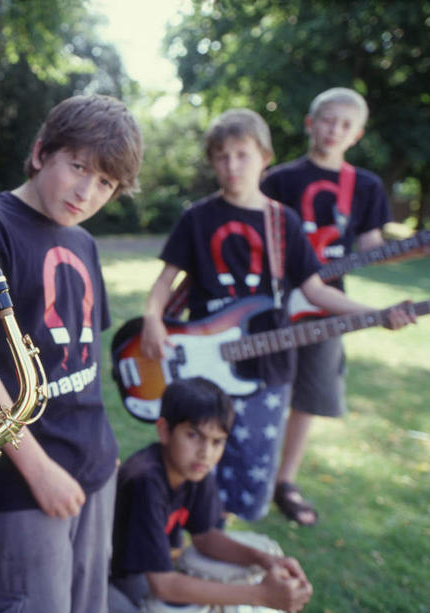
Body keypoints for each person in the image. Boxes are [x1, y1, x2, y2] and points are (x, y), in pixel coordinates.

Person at [140, 108, 414, 522]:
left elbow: (315, 289)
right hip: (205, 363)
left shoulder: (282, 221)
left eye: (242, 155)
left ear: (264, 157)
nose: (232, 166)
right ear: (212, 161)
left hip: (266, 367)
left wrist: (377, 313)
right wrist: (151, 318)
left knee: (251, 461)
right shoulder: (197, 217)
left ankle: (225, 536)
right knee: (191, 458)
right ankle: (184, 537)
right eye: (222, 156)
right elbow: (165, 283)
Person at [0, 94, 143, 612]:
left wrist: (103, 445)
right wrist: (39, 470)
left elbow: (83, 364)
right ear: (39, 153)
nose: (86, 191)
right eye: (77, 167)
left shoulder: (84, 242)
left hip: (92, 468)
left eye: (105, 183)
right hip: (21, 480)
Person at [260, 87, 391, 526]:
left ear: (357, 134)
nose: (335, 130)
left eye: (345, 124)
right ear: (310, 123)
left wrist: (414, 248)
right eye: (328, 120)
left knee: (310, 393)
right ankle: (251, 468)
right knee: (262, 385)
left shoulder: (367, 187)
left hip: (330, 305)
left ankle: (285, 480)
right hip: (273, 302)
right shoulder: (279, 179)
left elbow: (373, 245)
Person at [109, 377, 313, 612]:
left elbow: (206, 537)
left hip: (145, 570)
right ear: (164, 431)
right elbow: (164, 585)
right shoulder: (144, 480)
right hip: (106, 577)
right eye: (194, 436)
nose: (206, 453)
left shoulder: (193, 469)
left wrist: (265, 561)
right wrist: (260, 595)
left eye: (217, 441)